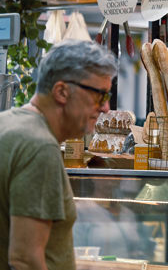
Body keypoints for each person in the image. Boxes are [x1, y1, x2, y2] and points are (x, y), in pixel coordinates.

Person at [0, 40, 118, 270]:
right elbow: (25, 259)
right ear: (62, 92)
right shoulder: (39, 147)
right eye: (100, 95)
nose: (105, 108)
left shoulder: (8, 124)